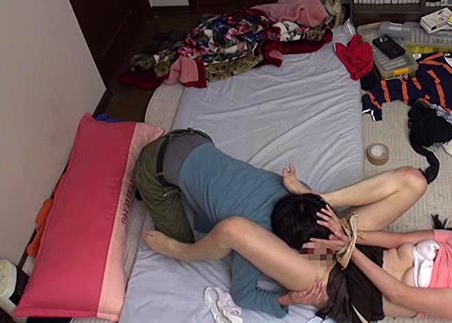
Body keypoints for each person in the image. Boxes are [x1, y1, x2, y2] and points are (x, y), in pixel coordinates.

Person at [143, 168, 452, 322]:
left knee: (233, 230)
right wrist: (348, 232)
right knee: (413, 180)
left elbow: (398, 294)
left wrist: (346, 249)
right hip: (354, 249)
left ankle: (181, 252)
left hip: (345, 291)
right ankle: (319, 197)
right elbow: (397, 240)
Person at [133, 128, 427, 318]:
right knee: (185, 239)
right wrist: (287, 300)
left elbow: (409, 182)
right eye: (320, 249)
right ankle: (174, 219)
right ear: (291, 245)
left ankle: (198, 201)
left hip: (194, 139)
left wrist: (318, 198)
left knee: (413, 181)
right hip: (154, 166)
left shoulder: (301, 199)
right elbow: (244, 294)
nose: (332, 247)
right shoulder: (256, 234)